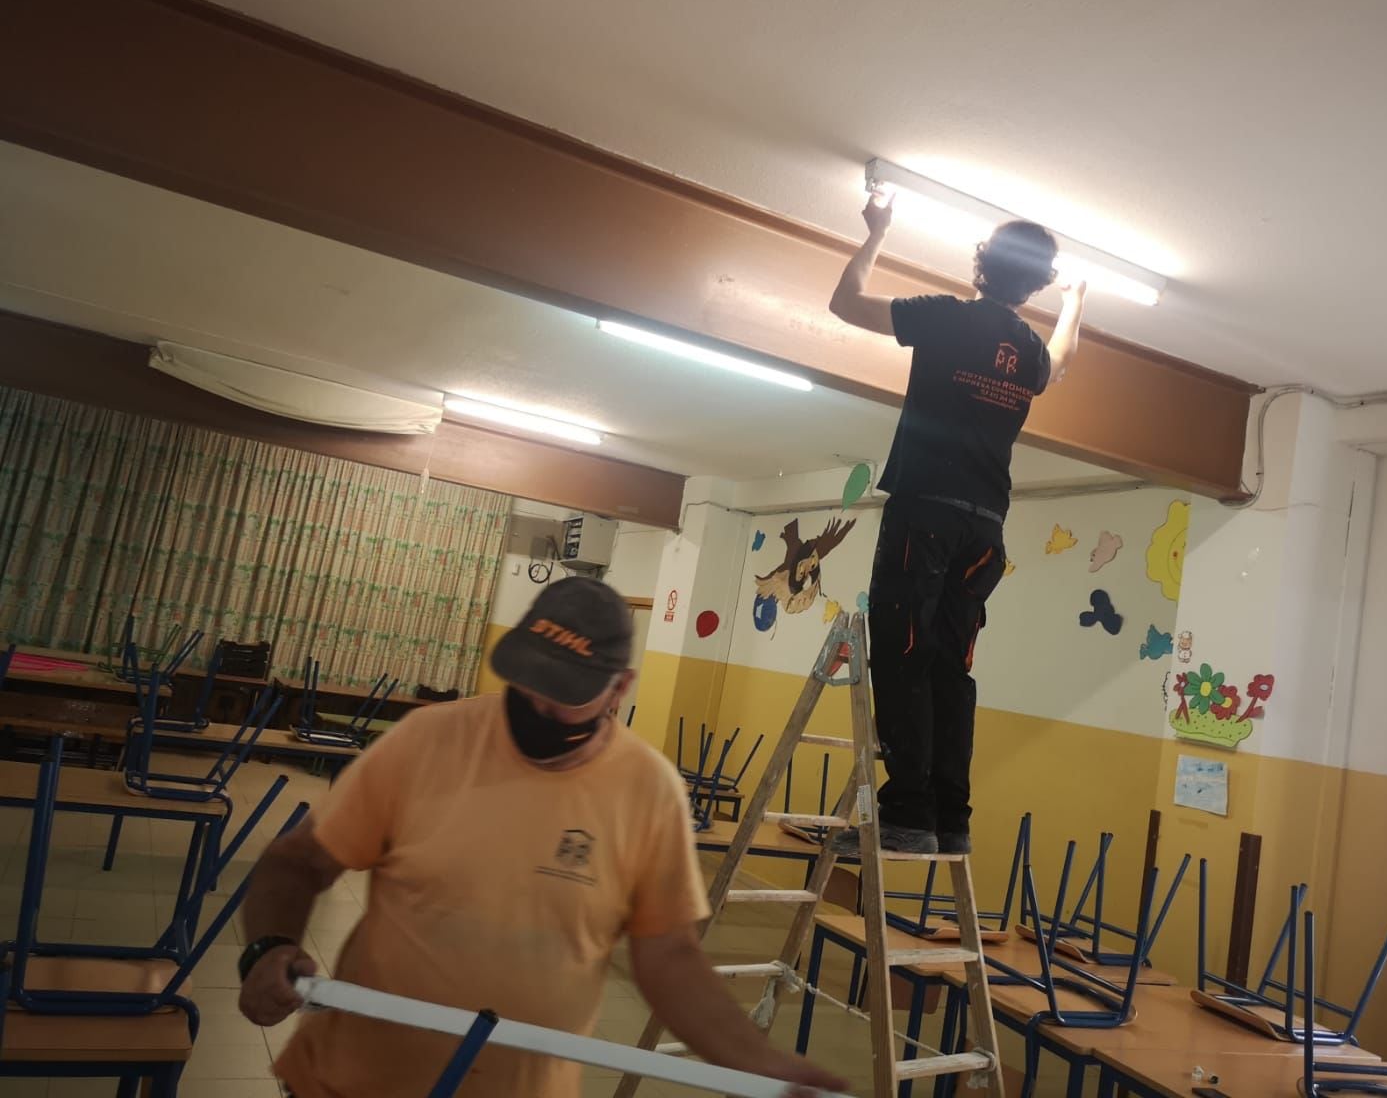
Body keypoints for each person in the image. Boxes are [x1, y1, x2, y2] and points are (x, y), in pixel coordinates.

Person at [238, 576, 846, 1098]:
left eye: (566, 698)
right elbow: (299, 862)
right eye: (529, 682)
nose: (537, 706)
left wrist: (760, 1064)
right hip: (355, 1081)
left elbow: (670, 958)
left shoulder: (648, 791)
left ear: (619, 688)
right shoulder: (425, 742)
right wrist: (267, 945)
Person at [827, 191, 1084, 856]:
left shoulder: (946, 318)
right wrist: (1076, 301)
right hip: (984, 533)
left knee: (905, 655)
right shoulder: (1029, 354)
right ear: (1037, 284)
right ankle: (950, 819)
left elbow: (846, 302)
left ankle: (907, 813)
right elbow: (1065, 356)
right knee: (949, 668)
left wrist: (877, 232)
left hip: (926, 513)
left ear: (982, 264)